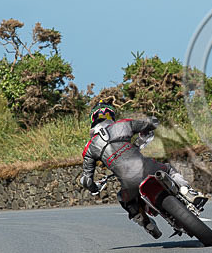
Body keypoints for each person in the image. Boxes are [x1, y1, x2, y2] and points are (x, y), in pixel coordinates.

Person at [80, 101, 204, 238]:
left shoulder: (89, 148)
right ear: (111, 115)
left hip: (128, 185)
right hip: (147, 167)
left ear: (93, 119)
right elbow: (151, 122)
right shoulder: (123, 124)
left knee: (123, 199)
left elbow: (86, 180)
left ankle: (146, 224)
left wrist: (93, 188)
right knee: (168, 169)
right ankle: (188, 192)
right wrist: (149, 126)